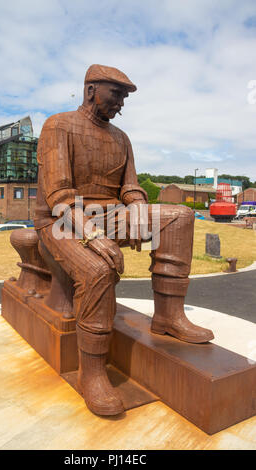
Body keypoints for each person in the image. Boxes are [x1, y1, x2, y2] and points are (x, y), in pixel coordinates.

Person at [34, 64, 214, 416]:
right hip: (62, 220)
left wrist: (139, 217)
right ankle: (93, 372)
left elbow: (130, 188)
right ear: (90, 91)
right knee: (98, 268)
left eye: (124, 97)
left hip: (109, 214)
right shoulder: (58, 125)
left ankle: (169, 316)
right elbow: (59, 196)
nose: (121, 103)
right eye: (116, 94)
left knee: (179, 217)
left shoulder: (122, 138)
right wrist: (95, 236)